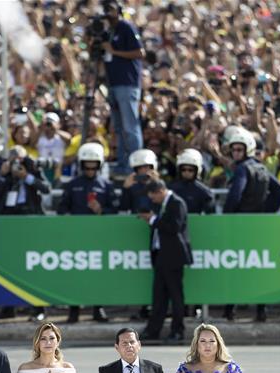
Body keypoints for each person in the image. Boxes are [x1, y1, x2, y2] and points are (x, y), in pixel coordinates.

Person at [222, 126, 280, 322]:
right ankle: (260, 310)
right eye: (234, 150)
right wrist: (266, 211)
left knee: (236, 268)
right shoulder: (262, 167)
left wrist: (228, 216)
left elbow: (235, 194)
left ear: (247, 149)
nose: (236, 153)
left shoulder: (243, 168)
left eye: (239, 150)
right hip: (258, 226)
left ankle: (230, 309)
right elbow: (279, 192)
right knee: (258, 268)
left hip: (241, 225)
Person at [57, 143, 116, 324]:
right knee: (75, 274)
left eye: (94, 165)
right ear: (81, 165)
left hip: (99, 237)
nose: (90, 169)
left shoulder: (106, 185)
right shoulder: (73, 185)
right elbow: (61, 208)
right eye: (87, 165)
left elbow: (115, 210)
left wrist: (101, 210)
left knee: (98, 275)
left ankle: (98, 308)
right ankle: (73, 310)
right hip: (77, 237)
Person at [139, 179, 192, 342]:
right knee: (159, 295)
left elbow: (174, 227)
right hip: (161, 256)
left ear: (160, 191)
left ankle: (177, 330)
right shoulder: (161, 204)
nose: (152, 200)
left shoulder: (177, 203)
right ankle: (153, 330)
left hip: (173, 257)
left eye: (153, 197)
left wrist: (153, 220)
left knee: (176, 295)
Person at [100, 1, 145, 176]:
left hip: (127, 83)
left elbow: (139, 53)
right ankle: (122, 162)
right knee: (118, 127)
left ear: (119, 11)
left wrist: (114, 51)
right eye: (106, 10)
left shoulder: (126, 27)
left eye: (110, 10)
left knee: (130, 126)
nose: (108, 14)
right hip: (113, 83)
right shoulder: (107, 32)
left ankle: (136, 163)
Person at [0, 147, 51, 215]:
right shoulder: (4, 174)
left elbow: (46, 189)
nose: (17, 164)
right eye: (14, 161)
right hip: (9, 213)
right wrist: (2, 176)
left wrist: (27, 177)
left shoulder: (33, 171)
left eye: (20, 160)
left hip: (30, 211)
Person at [169, 148, 214, 214]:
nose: (186, 172)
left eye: (190, 170)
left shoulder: (205, 192)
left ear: (197, 170)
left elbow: (210, 215)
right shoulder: (171, 189)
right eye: (183, 169)